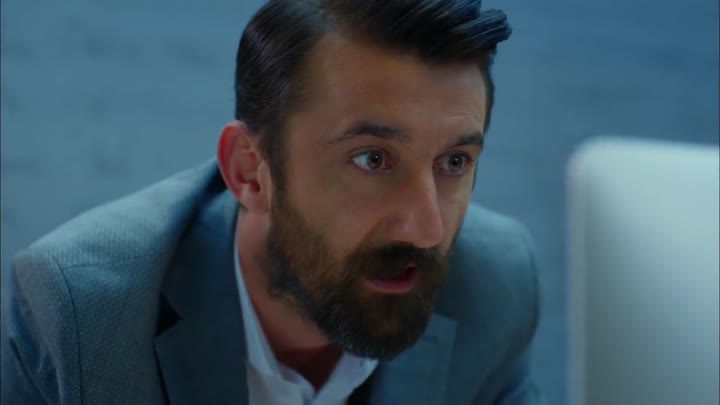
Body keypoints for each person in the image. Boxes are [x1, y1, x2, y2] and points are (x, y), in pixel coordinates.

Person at [2, 0, 542, 403]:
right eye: (372, 159)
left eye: (454, 162)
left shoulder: (496, 288)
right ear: (249, 172)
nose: (426, 229)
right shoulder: (86, 317)